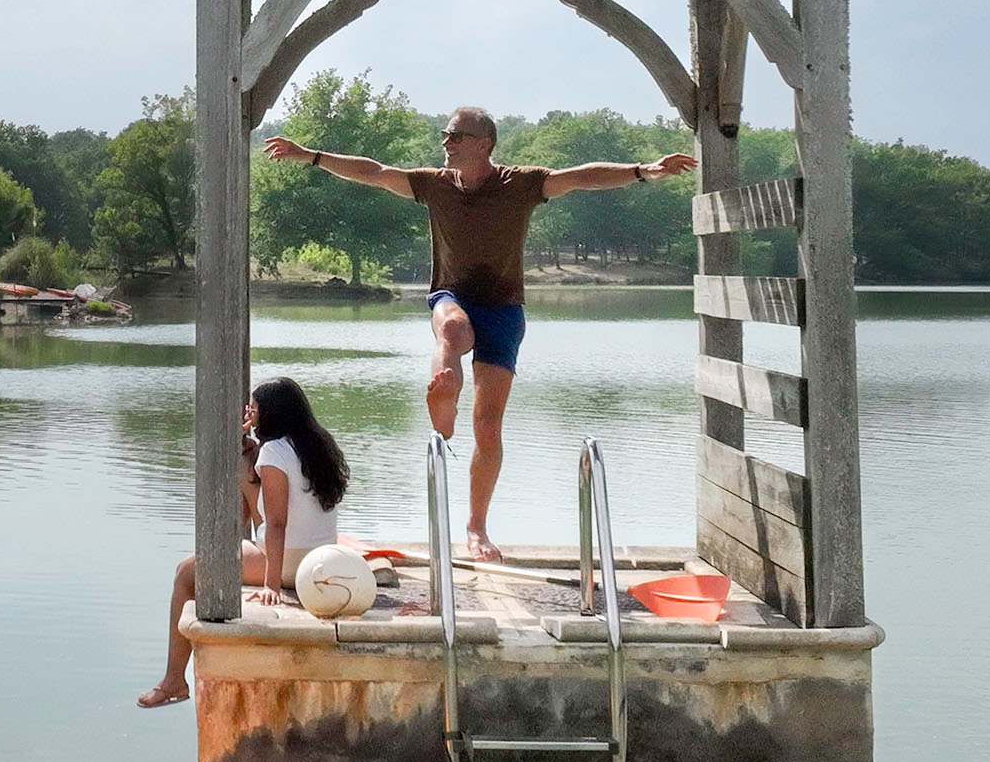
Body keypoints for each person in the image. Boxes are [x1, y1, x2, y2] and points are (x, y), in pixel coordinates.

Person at [263, 107, 692, 561]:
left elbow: (581, 177)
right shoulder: (434, 184)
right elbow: (375, 173)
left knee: (488, 428)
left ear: (483, 143)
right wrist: (309, 155)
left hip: (504, 309)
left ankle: (476, 527)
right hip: (452, 296)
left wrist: (643, 171)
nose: (445, 141)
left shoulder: (520, 183)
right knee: (451, 326)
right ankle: (443, 406)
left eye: (455, 135)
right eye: (445, 134)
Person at [139, 375, 348, 709]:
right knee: (244, 472)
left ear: (269, 414)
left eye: (253, 410)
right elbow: (279, 515)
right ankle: (175, 679)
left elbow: (276, 524)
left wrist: (272, 586)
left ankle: (174, 679)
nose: (250, 416)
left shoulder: (275, 453)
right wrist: (245, 455)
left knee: (185, 573)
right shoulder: (317, 444)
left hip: (288, 564)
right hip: (318, 557)